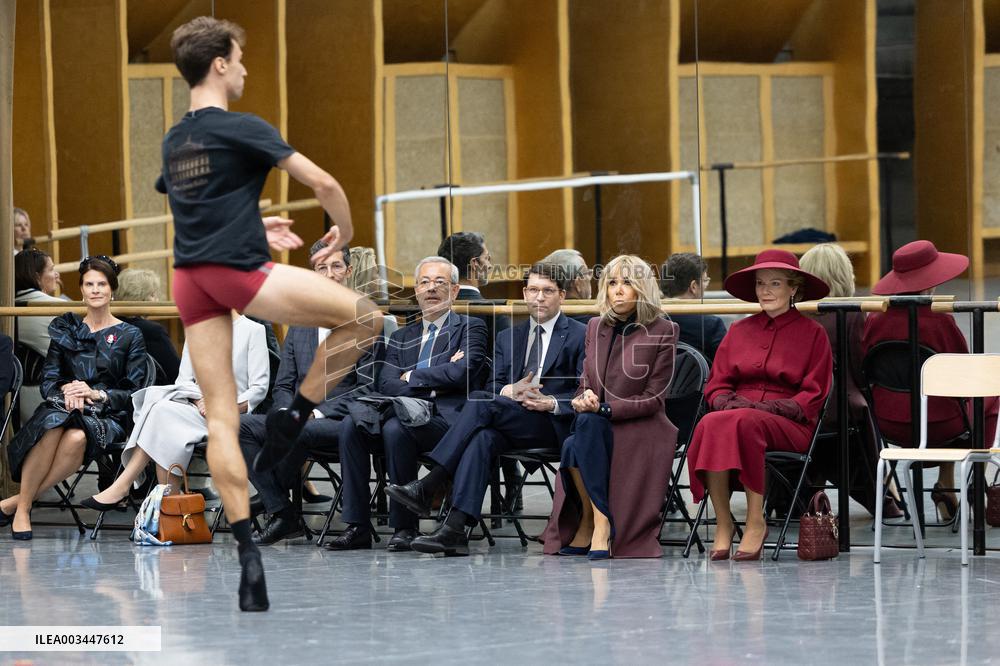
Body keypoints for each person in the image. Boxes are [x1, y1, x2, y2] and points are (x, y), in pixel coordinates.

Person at [158, 17, 382, 611]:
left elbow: (194, 210)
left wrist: (253, 222)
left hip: (190, 281)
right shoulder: (244, 126)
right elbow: (325, 182)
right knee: (366, 317)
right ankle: (296, 412)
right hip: (237, 271)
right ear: (221, 65)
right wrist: (346, 235)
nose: (247, 68)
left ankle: (247, 556)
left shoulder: (175, 141)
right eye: (242, 58)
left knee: (223, 421)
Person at [384, 262, 587, 556]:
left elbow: (585, 389)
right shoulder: (509, 337)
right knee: (482, 437)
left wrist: (551, 402)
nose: (539, 297)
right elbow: (494, 386)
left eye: (547, 291)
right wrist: (510, 390)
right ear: (524, 294)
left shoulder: (581, 334)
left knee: (479, 402)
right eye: (533, 290)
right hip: (510, 417)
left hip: (551, 423)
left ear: (562, 296)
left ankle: (430, 484)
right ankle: (455, 529)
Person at [326, 257, 487, 552]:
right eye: (424, 282)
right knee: (351, 425)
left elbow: (461, 373)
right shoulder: (401, 336)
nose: (431, 289)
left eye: (440, 283)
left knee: (396, 429)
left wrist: (411, 375)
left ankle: (404, 527)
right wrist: (438, 374)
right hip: (400, 410)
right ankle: (357, 525)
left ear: (454, 291)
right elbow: (386, 383)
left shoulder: (471, 328)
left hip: (445, 421)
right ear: (416, 292)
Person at [686, 249, 832, 561]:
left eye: (775, 284)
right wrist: (729, 403)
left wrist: (764, 410)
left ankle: (755, 521)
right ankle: (724, 522)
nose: (765, 290)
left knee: (742, 421)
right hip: (738, 415)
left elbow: (813, 394)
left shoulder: (813, 333)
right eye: (760, 283)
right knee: (710, 422)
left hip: (790, 424)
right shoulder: (739, 330)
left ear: (793, 288)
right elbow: (717, 383)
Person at [238, 240, 383, 545]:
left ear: (349, 271)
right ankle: (282, 509)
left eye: (336, 266)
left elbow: (367, 388)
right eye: (321, 268)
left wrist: (314, 412)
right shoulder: (300, 323)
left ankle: (268, 501)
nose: (329, 274)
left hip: (338, 421)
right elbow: (284, 383)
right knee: (237, 425)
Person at [0, 257, 148, 540]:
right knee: (55, 423)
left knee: (78, 437)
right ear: (80, 289)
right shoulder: (66, 329)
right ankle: (22, 510)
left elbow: (135, 392)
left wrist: (95, 394)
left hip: (107, 415)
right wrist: (68, 392)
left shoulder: (131, 335)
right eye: (89, 284)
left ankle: (17, 503)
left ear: (112, 289)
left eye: (101, 284)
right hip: (64, 408)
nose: (95, 290)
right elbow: (49, 381)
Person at [541, 255, 679, 559]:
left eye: (627, 283)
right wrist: (583, 397)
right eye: (612, 283)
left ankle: (595, 523)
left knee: (575, 444)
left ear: (642, 289)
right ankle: (598, 519)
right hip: (597, 422)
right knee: (580, 434)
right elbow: (584, 382)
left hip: (641, 424)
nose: (618, 290)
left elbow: (654, 398)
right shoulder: (595, 326)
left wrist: (604, 409)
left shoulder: (662, 330)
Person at [863, 240, 999, 521]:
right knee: (986, 400)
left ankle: (946, 487)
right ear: (930, 283)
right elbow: (965, 376)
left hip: (888, 423)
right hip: (941, 423)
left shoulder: (875, 320)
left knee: (948, 405)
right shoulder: (940, 322)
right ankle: (972, 480)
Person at [81, 313, 268, 511]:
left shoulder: (253, 330)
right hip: (196, 409)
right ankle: (167, 504)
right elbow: (183, 381)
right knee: (163, 411)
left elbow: (259, 388)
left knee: (163, 413)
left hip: (232, 415)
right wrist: (199, 400)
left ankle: (130, 488)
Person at [798, 243, 889, 517]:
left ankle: (804, 491)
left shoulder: (795, 314)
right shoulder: (850, 313)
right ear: (842, 274)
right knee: (863, 405)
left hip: (800, 408)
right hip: (839, 410)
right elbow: (859, 366)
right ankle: (883, 491)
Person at [13, 248, 64, 423]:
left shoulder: (7, 305)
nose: (56, 274)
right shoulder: (58, 307)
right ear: (36, 276)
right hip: (53, 400)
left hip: (11, 402)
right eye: (51, 269)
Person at [115, 268, 181, 385]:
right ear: (140, 297)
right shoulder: (151, 330)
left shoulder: (110, 325)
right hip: (149, 395)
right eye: (152, 295)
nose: (157, 300)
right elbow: (176, 374)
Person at [662, 252, 727, 361]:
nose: (706, 285)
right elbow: (725, 364)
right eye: (705, 280)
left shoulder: (648, 320)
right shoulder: (711, 325)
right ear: (693, 286)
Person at [541, 249, 594, 324]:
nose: (590, 277)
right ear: (577, 283)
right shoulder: (597, 325)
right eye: (587, 273)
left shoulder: (537, 319)